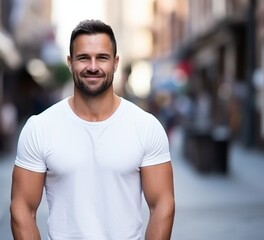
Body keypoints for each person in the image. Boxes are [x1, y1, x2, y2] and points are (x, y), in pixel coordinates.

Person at [10, 19, 175, 240]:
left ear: (115, 63)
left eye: (102, 58)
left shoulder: (145, 126)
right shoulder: (40, 127)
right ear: (70, 62)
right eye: (83, 58)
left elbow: (163, 205)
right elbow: (22, 209)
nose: (93, 67)